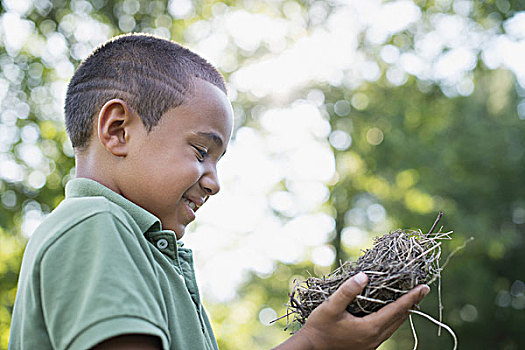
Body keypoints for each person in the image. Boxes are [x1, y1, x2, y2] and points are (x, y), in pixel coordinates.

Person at [8, 34, 430, 350]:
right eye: (201, 151)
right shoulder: (94, 227)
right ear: (118, 130)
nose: (214, 180)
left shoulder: (143, 250)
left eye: (219, 161)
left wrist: (316, 341)